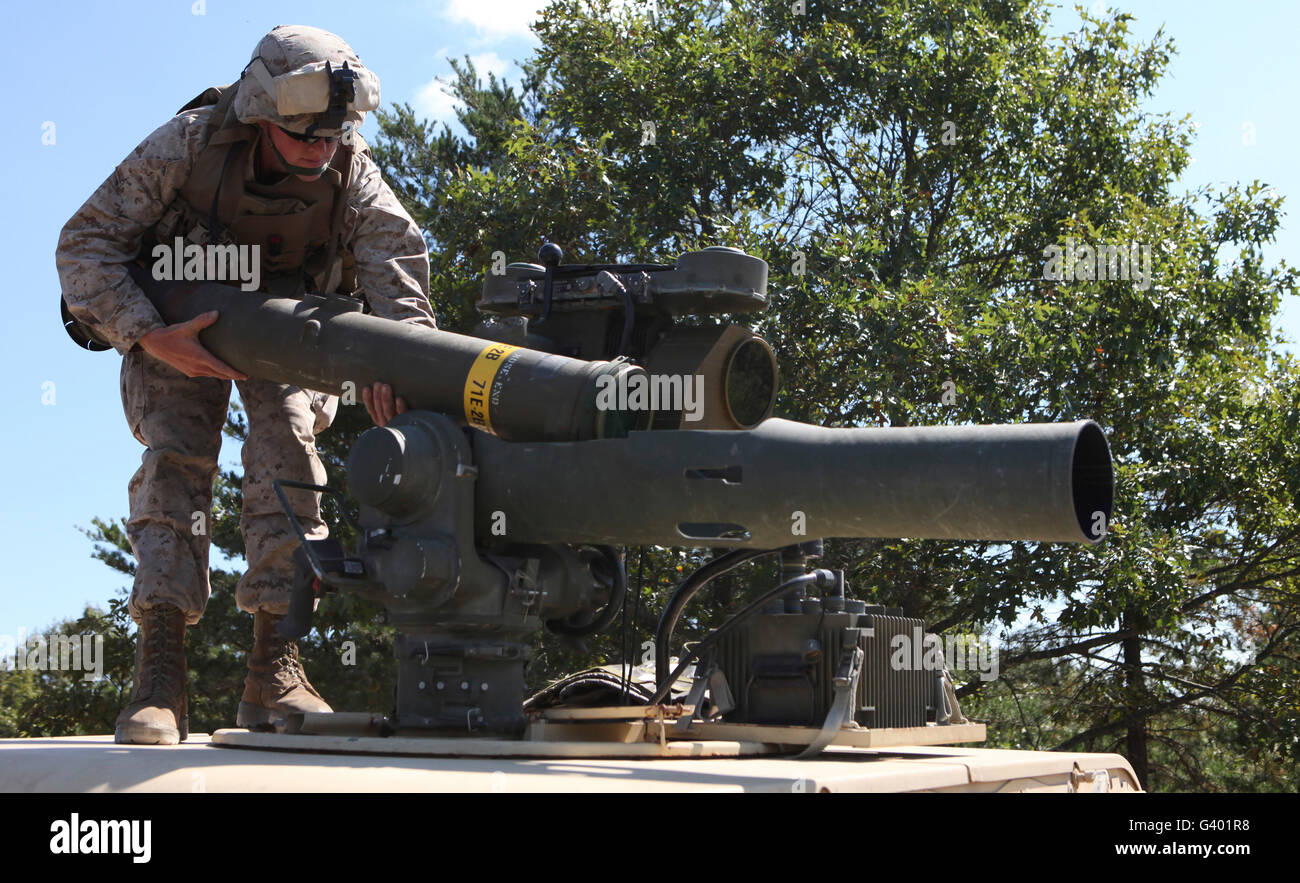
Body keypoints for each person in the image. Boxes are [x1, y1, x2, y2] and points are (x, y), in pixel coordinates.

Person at [56, 25, 437, 744]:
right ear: (262, 116)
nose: (320, 151)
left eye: (332, 137)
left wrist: (402, 369)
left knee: (290, 448)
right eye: (303, 138)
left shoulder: (350, 169)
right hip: (177, 321)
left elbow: (399, 273)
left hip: (289, 327)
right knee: (175, 456)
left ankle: (275, 668)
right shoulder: (189, 146)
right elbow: (85, 245)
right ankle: (160, 677)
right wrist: (145, 331)